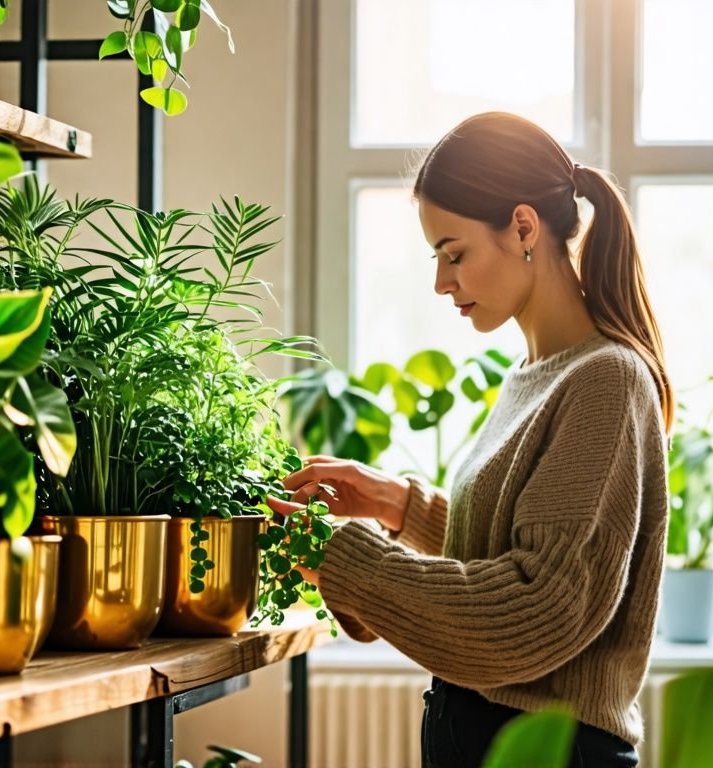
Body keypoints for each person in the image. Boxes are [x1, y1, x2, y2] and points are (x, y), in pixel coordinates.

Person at [268, 112, 672, 768]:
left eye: (454, 254)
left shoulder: (606, 380)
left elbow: (541, 606)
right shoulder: (536, 376)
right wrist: (401, 507)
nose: (441, 282)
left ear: (522, 228)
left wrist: (341, 556)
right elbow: (534, 538)